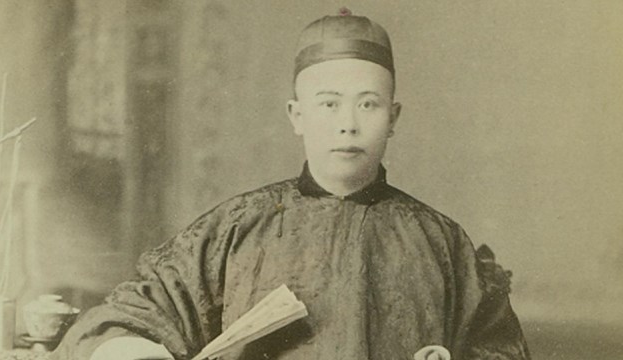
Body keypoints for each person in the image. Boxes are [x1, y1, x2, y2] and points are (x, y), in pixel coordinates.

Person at [52, 9, 530, 360]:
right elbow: (129, 315)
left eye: (368, 104)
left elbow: (501, 348)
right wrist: (135, 349)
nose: (348, 124)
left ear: (394, 118)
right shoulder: (235, 230)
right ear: (296, 116)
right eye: (328, 104)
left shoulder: (442, 243)